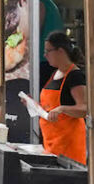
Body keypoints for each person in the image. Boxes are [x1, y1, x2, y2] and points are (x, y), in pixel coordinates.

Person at [24, 30, 87, 164]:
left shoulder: (75, 76)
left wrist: (61, 109)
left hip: (69, 150)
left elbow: (84, 108)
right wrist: (32, 104)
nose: (45, 55)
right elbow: (48, 109)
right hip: (51, 146)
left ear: (61, 51)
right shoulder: (54, 74)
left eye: (48, 51)